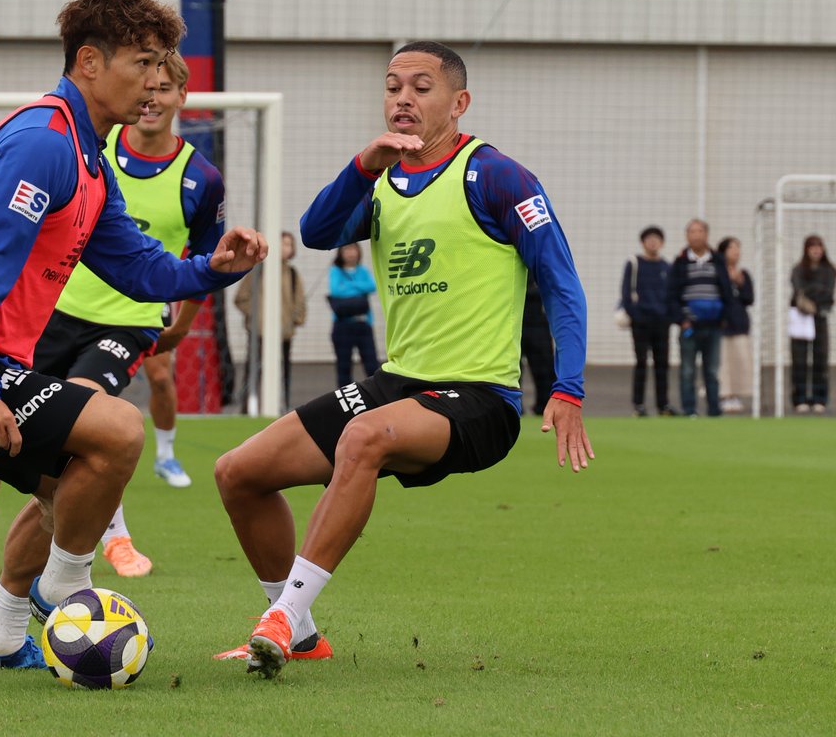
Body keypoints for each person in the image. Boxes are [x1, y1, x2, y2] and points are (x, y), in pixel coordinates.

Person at [0, 0, 266, 670]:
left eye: (161, 65)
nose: (156, 82)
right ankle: (64, 588)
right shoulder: (42, 142)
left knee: (70, 486)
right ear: (89, 63)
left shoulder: (89, 155)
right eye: (142, 62)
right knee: (117, 429)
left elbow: (143, 270)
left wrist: (217, 267)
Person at [211, 41, 592, 677]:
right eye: (393, 87)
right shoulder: (383, 179)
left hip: (478, 398)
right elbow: (316, 231)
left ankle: (284, 615)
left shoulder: (498, 177)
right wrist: (364, 163)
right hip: (398, 384)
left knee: (364, 435)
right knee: (238, 471)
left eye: (421, 87)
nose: (403, 99)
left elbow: (561, 283)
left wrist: (569, 386)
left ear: (459, 102)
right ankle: (297, 633)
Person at [0, 52, 226, 578]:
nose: (151, 93)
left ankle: (107, 547)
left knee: (98, 422)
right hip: (39, 322)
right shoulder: (67, 148)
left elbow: (173, 260)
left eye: (164, 83)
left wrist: (199, 296)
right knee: (3, 426)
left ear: (182, 98)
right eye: (144, 75)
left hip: (127, 320)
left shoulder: (194, 176)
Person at [235, 231, 308, 409]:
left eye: (288, 245)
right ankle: (247, 407)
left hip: (284, 332)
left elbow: (300, 300)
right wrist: (255, 316)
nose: (285, 248)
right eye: (282, 243)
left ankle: (284, 406)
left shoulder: (292, 274)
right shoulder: (257, 272)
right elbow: (241, 297)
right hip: (259, 332)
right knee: (253, 371)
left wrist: (295, 319)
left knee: (284, 372)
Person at [668, 219, 733, 418]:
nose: (695, 235)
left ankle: (714, 410)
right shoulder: (680, 262)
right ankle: (690, 411)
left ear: (706, 234)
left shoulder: (718, 261)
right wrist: (682, 319)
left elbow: (727, 291)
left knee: (712, 371)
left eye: (699, 231)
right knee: (687, 370)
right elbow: (671, 295)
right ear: (687, 235)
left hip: (713, 326)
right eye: (691, 232)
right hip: (690, 326)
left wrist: (724, 318)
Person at [621, 226, 675, 417]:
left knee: (662, 364)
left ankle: (663, 405)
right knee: (641, 362)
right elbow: (626, 293)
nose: (653, 242)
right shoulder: (634, 263)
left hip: (661, 322)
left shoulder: (666, 267)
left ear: (662, 243)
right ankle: (639, 404)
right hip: (641, 322)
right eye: (649, 239)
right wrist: (636, 315)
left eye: (656, 239)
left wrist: (668, 317)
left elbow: (671, 295)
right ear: (643, 242)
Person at [789, 234, 835, 414]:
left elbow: (828, 293)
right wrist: (814, 292)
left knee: (820, 359)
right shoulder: (798, 269)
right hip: (801, 316)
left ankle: (819, 398)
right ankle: (799, 398)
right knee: (799, 359)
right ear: (806, 249)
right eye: (812, 246)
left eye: (819, 246)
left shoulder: (829, 270)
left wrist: (814, 295)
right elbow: (799, 289)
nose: (816, 250)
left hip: (820, 316)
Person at [328, 242, 381, 388]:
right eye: (347, 249)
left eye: (353, 249)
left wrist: (349, 286)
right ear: (340, 252)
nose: (351, 253)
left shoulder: (363, 271)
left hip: (363, 324)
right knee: (343, 367)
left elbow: (372, 286)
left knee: (372, 365)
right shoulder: (335, 271)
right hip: (342, 325)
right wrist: (359, 288)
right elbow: (336, 291)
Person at [716, 236, 754, 414]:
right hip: (722, 323)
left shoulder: (743, 274)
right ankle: (724, 395)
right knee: (723, 361)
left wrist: (740, 283)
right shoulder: (717, 272)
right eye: (732, 248)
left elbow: (749, 299)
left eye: (738, 248)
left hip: (739, 323)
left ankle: (737, 394)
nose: (736, 252)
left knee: (740, 360)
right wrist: (727, 279)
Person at [520, 276, 555, 415]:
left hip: (538, 323)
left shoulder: (539, 263)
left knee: (544, 368)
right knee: (512, 368)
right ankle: (513, 407)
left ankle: (545, 407)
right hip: (514, 321)